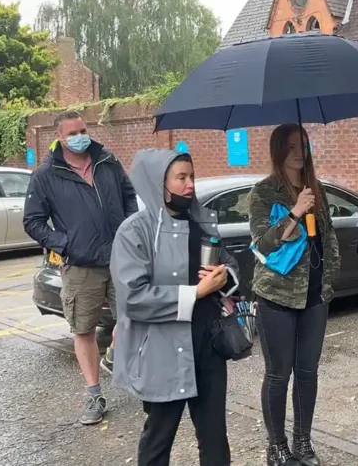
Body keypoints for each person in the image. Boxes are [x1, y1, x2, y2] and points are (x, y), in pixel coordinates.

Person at [110, 149, 239, 465]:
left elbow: (230, 265)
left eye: (192, 176)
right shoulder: (134, 231)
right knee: (159, 437)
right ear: (158, 183)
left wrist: (225, 277)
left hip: (207, 344)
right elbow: (133, 298)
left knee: (214, 438)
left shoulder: (202, 221)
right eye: (181, 177)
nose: (190, 185)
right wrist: (195, 292)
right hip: (160, 349)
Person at [23, 110, 136, 425]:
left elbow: (129, 199)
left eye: (83, 129)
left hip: (119, 257)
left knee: (136, 316)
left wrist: (127, 233)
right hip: (80, 265)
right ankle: (94, 395)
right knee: (83, 329)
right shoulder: (46, 174)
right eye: (72, 132)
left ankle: (118, 358)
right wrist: (65, 243)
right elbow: (32, 221)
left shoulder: (107, 161)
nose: (80, 136)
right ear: (60, 137)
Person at [248, 124, 341, 466]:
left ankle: (303, 442)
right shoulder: (263, 192)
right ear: (278, 151)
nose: (299, 152)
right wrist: (295, 210)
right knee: (278, 373)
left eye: (303, 145)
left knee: (307, 372)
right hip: (277, 296)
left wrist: (330, 276)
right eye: (291, 147)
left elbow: (328, 236)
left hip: (315, 295)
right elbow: (263, 243)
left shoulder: (316, 189)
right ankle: (277, 446)